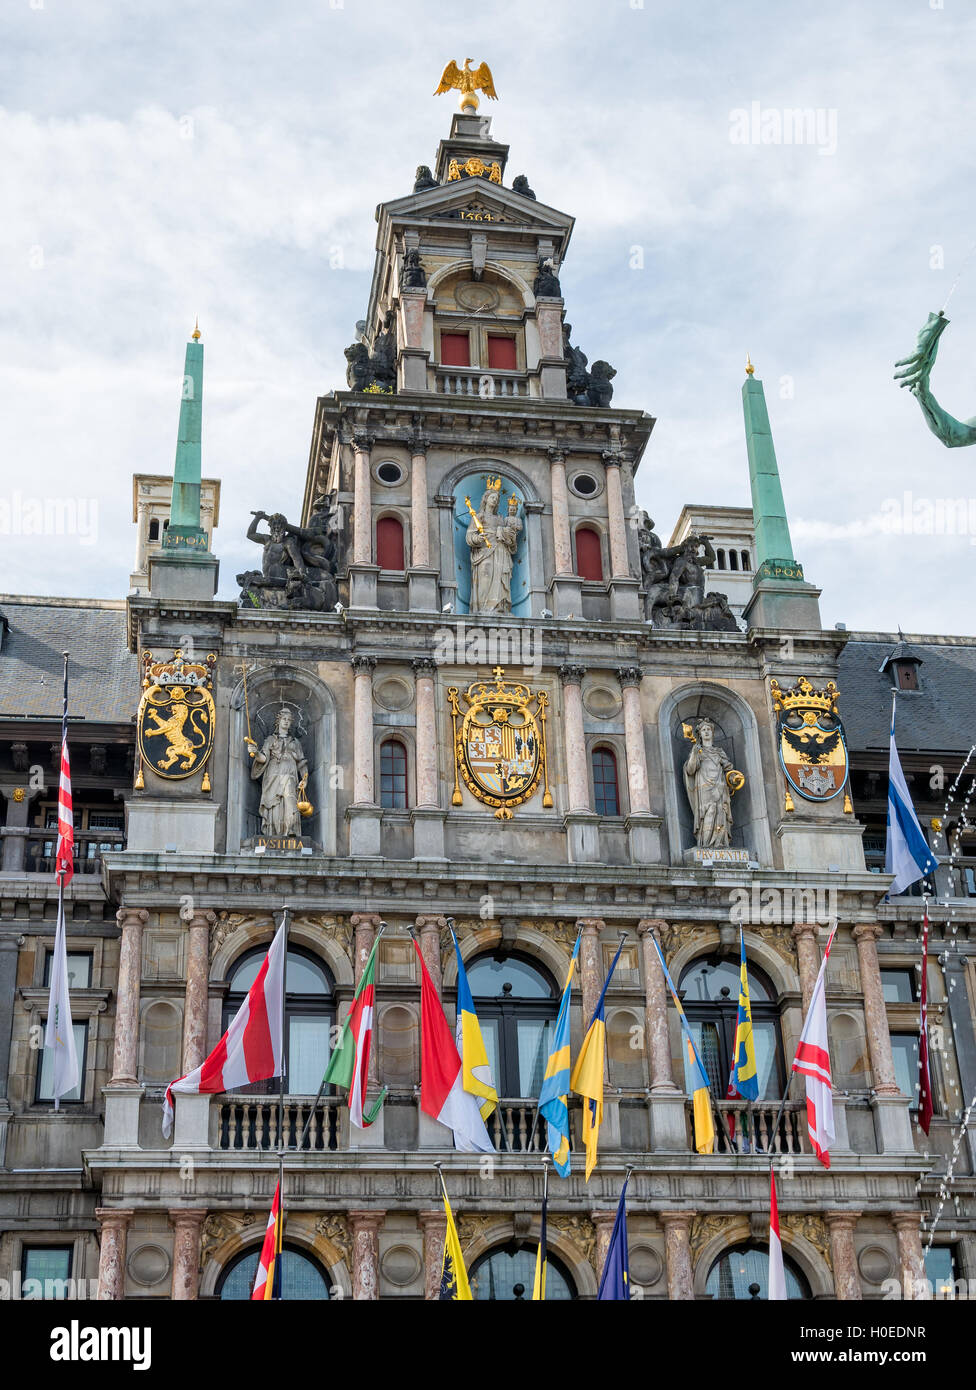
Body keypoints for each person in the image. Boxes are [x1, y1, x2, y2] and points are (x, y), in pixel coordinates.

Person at [247, 707, 308, 837]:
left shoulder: (295, 742)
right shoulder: (270, 740)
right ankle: (274, 833)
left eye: (288, 720)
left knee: (290, 801)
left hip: (290, 775)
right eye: (283, 719)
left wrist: (304, 778)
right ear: (278, 721)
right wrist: (255, 752)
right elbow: (263, 758)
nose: (286, 722)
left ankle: (290, 830)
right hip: (273, 775)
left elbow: (302, 763)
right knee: (274, 805)